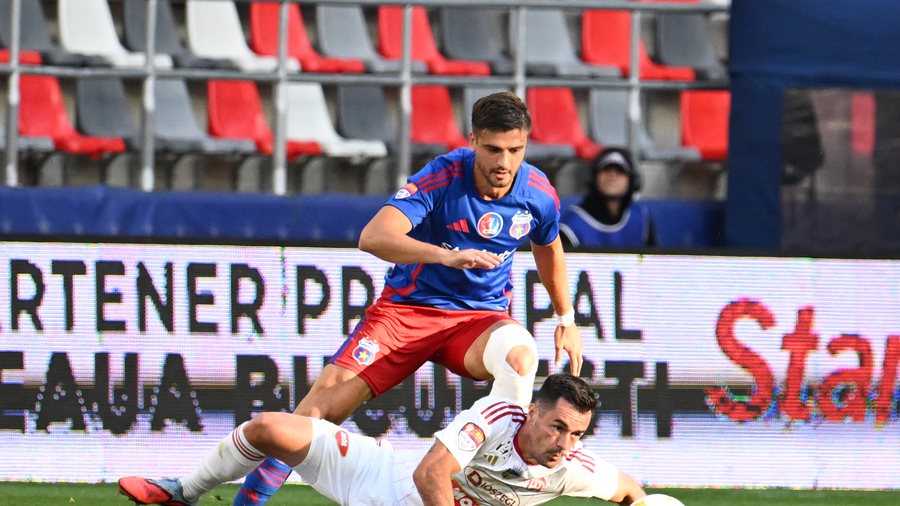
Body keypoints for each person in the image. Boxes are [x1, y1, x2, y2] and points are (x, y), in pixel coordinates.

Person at [232, 92, 584, 505]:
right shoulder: (442, 176)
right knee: (315, 416)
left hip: (477, 322)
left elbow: (548, 247)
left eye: (515, 150)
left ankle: (496, 481)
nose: (504, 162)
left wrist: (566, 318)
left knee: (521, 358)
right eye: (492, 149)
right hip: (408, 312)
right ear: (472, 140)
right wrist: (445, 256)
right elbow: (373, 237)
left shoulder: (538, 193)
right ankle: (243, 501)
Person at [118, 374, 648, 506]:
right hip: (384, 474)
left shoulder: (572, 465)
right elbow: (429, 474)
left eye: (576, 433)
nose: (564, 442)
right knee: (269, 428)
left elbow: (632, 492)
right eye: (557, 426)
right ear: (532, 412)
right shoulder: (497, 413)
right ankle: (181, 493)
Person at [559, 147, 656, 248]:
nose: (612, 176)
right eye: (606, 170)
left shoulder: (641, 218)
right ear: (593, 178)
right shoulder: (572, 224)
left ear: (633, 182)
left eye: (620, 171)